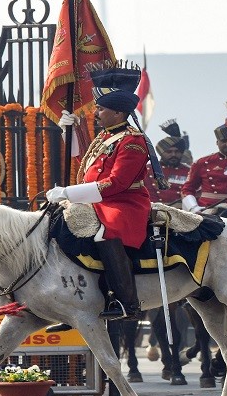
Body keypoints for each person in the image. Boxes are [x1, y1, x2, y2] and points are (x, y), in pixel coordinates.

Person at [46, 66, 154, 320]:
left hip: (124, 203)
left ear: (118, 112)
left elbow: (116, 183)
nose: (96, 113)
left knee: (107, 232)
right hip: (99, 201)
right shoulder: (106, 137)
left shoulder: (133, 141)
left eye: (102, 109)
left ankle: (127, 301)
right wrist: (67, 132)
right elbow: (83, 161)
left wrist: (69, 193)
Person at [181, 104, 227, 214]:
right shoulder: (201, 163)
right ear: (217, 142)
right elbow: (187, 189)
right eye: (224, 141)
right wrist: (194, 208)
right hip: (206, 211)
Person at [145, 119, 191, 204]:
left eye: (177, 151)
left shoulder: (189, 171)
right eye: (169, 152)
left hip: (183, 213)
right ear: (161, 153)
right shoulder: (147, 170)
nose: (173, 154)